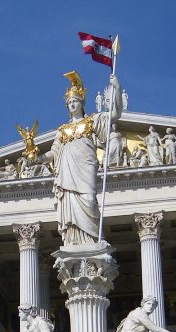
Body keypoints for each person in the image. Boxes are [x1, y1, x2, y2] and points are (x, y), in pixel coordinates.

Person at [43, 70, 122, 247]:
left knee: (89, 201)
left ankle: (93, 241)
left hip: (85, 169)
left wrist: (117, 89)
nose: (72, 104)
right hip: (67, 174)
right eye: (69, 102)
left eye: (75, 101)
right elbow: (53, 153)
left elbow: (114, 114)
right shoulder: (62, 130)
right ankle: (74, 242)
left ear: (82, 103)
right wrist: (37, 158)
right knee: (71, 206)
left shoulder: (91, 121)